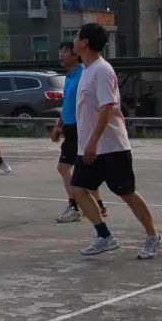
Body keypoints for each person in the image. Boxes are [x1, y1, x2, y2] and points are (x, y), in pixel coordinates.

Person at [71, 23, 162, 259]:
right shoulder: (87, 70)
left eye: (77, 36)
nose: (73, 41)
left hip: (111, 146)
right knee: (78, 189)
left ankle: (153, 236)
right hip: (89, 145)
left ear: (85, 42)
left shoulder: (102, 70)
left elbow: (107, 109)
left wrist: (93, 142)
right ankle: (104, 236)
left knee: (126, 192)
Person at [50, 41, 105, 222]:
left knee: (64, 167)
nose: (61, 55)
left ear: (76, 54)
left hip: (79, 127)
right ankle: (99, 205)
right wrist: (59, 124)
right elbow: (67, 103)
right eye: (60, 51)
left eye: (65, 51)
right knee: (85, 168)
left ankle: (74, 207)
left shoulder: (84, 74)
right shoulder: (69, 76)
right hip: (70, 127)